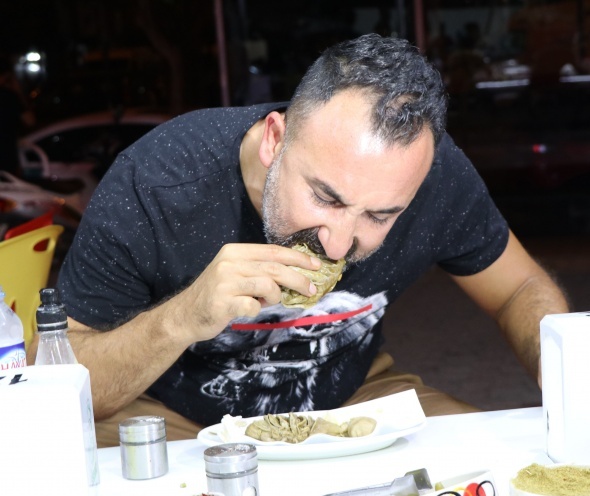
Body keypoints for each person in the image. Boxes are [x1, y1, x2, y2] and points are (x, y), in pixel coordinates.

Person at [27, 34, 568, 447]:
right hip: (172, 413)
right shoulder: (157, 181)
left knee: (500, 461)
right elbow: (57, 383)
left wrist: (567, 376)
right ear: (274, 140)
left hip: (355, 399)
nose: (337, 245)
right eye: (326, 198)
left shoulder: (433, 175)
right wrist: (183, 317)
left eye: (380, 215)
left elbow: (518, 288)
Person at [0, 55, 35, 175]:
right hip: (5, 161)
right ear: (7, 75)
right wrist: (18, 91)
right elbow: (30, 121)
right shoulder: (9, 97)